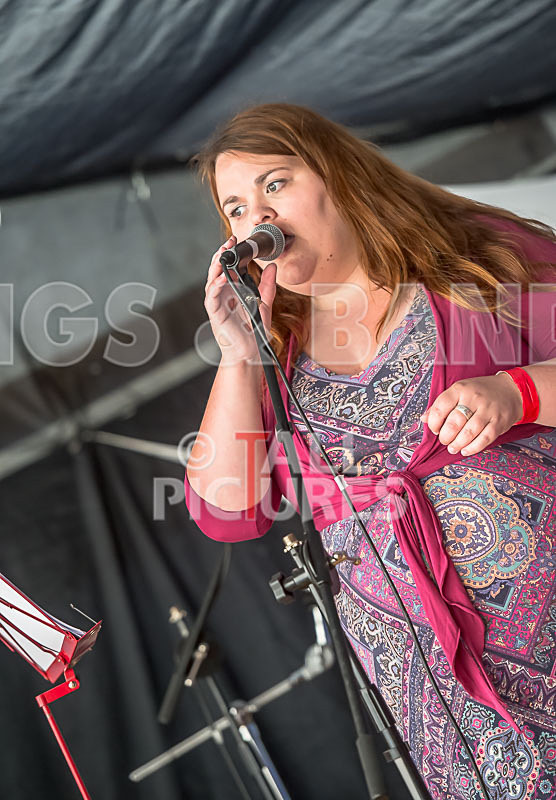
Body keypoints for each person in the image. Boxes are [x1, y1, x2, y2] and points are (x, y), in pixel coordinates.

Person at [185, 103, 556, 800]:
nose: (254, 218)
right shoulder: (276, 351)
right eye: (234, 208)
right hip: (440, 696)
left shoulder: (473, 261)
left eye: (274, 184)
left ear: (339, 176)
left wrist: (519, 393)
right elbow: (226, 513)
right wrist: (237, 356)